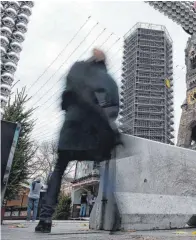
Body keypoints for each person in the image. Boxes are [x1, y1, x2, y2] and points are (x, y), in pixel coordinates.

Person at [35, 49, 123, 233]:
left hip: (72, 127)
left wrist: (71, 109)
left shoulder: (77, 68)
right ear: (104, 63)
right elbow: (114, 108)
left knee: (59, 170)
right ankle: (114, 215)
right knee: (107, 168)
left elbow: (64, 97)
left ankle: (45, 219)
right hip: (96, 133)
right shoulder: (109, 81)